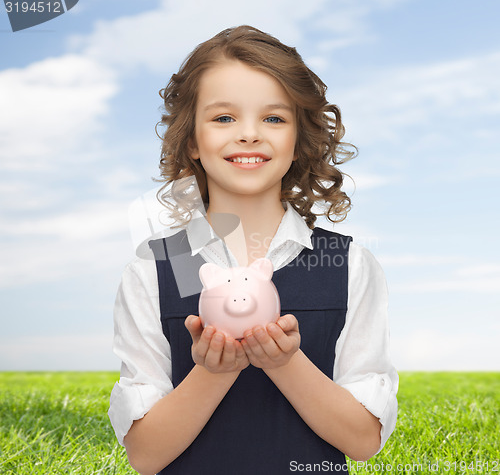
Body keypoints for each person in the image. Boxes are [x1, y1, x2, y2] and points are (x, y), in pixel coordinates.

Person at [108, 25, 398, 475]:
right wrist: (214, 371)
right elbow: (145, 455)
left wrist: (284, 363)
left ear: (298, 139)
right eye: (224, 118)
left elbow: (363, 440)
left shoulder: (349, 265)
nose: (248, 134)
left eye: (274, 118)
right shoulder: (157, 268)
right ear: (191, 140)